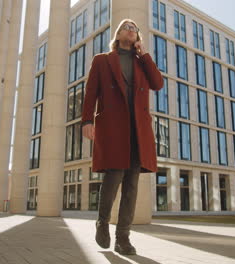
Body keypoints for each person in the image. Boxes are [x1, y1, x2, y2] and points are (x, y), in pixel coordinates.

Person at [81, 19, 163, 255]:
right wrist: (87, 120)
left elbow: (158, 84)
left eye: (134, 28)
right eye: (126, 26)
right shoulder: (102, 60)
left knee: (131, 187)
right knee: (113, 178)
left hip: (138, 131)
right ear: (118, 34)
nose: (131, 28)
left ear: (137, 38)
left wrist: (145, 55)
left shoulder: (141, 63)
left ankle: (123, 238)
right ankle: (102, 222)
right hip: (113, 128)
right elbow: (90, 93)